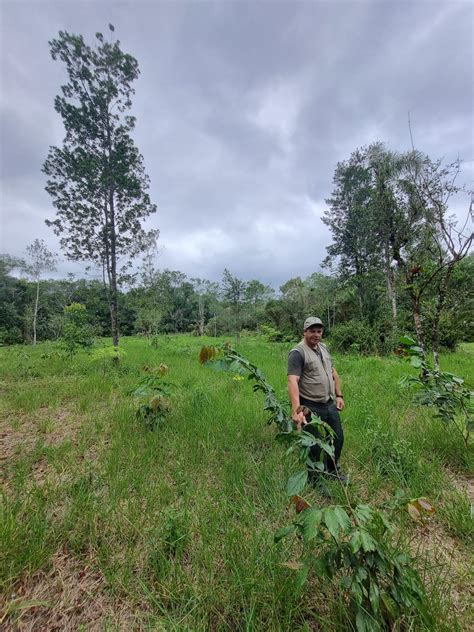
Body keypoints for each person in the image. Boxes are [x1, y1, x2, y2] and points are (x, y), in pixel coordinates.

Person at [287, 316, 347, 483]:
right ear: (304, 332)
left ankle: (332, 470)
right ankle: (314, 479)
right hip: (309, 405)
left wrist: (339, 395)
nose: (316, 334)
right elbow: (292, 381)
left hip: (329, 404)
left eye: (319, 331)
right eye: (312, 331)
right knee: (313, 444)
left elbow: (333, 373)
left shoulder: (324, 348)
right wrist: (296, 411)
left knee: (338, 438)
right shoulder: (297, 353)